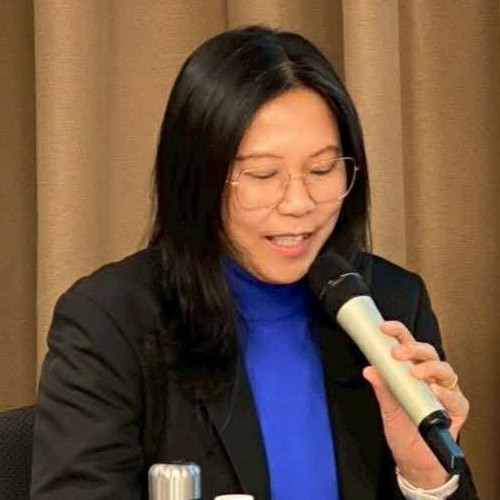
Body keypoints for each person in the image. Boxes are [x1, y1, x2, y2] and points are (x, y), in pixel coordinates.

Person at [31, 25, 478, 499]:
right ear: (197, 179)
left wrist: (423, 475)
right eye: (263, 175)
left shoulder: (391, 303)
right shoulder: (110, 321)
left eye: (322, 169)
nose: (299, 203)